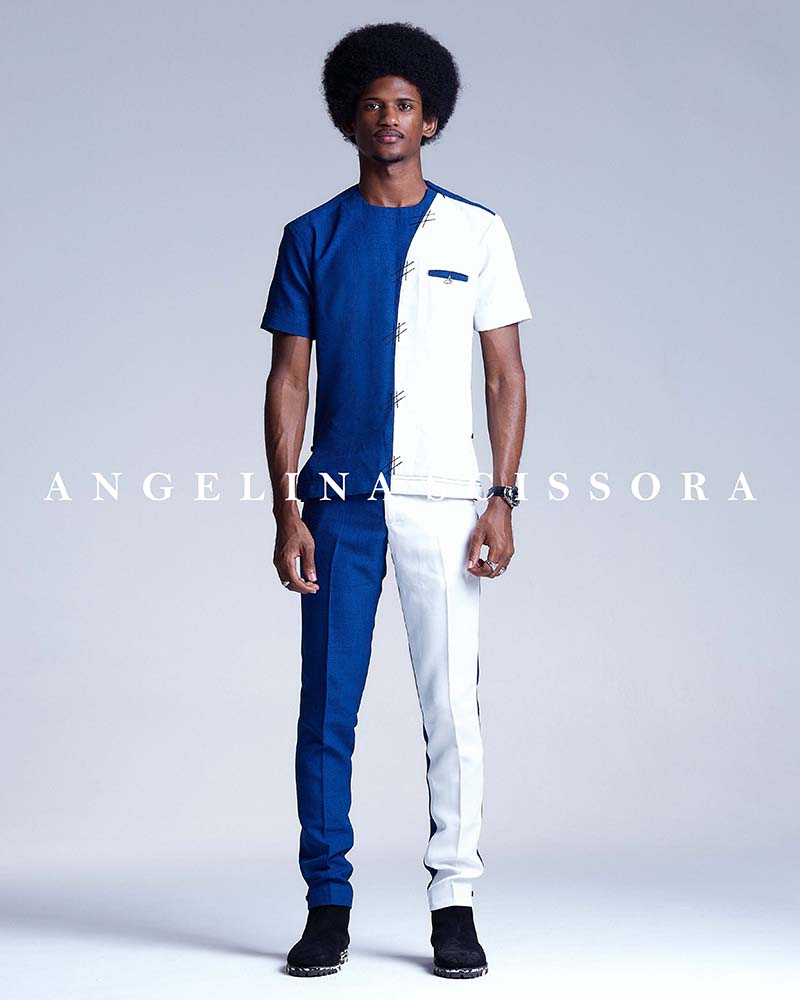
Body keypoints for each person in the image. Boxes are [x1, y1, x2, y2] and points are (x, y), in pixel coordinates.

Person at [260, 21, 532, 979]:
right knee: (327, 710)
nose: (389, 118)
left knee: (452, 708)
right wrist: (286, 509)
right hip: (337, 505)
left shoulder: (476, 232)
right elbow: (288, 379)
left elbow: (505, 374)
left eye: (406, 105)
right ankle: (327, 905)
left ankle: (454, 902)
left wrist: (501, 498)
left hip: (445, 501)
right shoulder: (312, 236)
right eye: (373, 104)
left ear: (432, 119)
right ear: (349, 118)